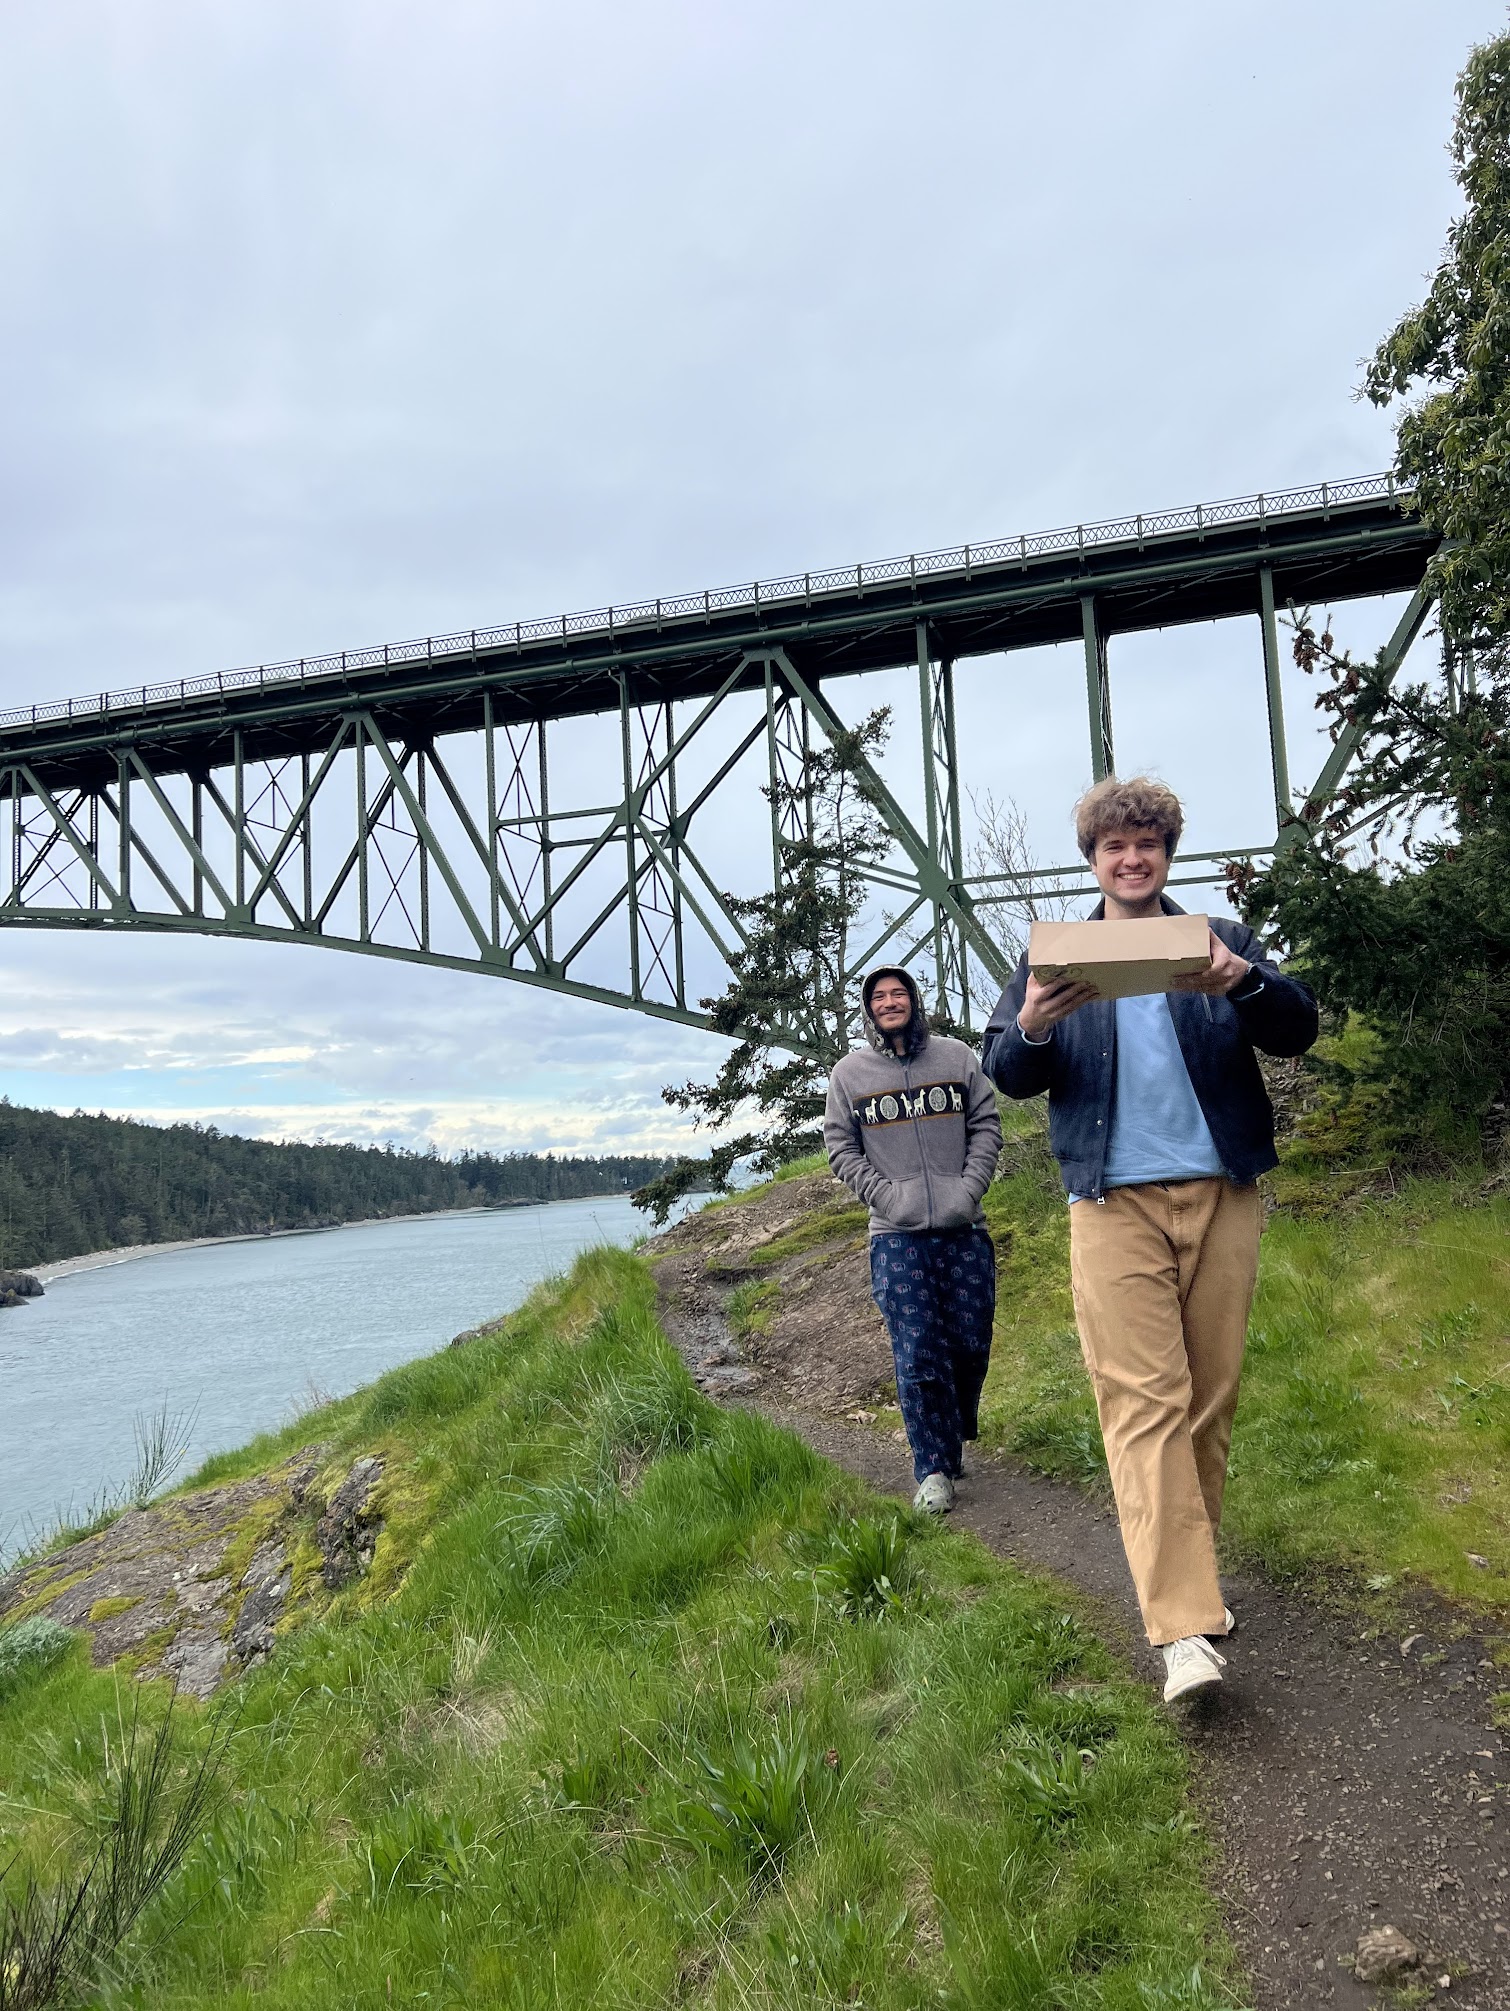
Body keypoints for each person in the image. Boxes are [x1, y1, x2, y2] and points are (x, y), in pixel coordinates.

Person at [982, 777, 1318, 1702]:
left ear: (1167, 854)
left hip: (1222, 1192)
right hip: (1111, 1203)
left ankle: (1192, 1588)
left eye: (1148, 845)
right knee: (1143, 1407)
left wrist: (1243, 982)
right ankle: (1183, 1631)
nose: (1131, 859)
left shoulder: (1220, 940)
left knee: (1208, 1400)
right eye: (1113, 847)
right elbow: (1005, 1071)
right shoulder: (1054, 955)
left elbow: (1299, 1026)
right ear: (1092, 859)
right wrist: (1034, 1025)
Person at [824, 965, 1003, 1513]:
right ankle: (932, 1468)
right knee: (918, 1349)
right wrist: (887, 1197)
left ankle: (951, 1436)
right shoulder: (849, 1074)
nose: (889, 1001)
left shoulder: (956, 1058)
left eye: (898, 992)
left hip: (963, 1227)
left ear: (913, 1001)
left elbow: (987, 1124)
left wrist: (967, 1190)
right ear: (868, 1010)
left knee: (969, 1345)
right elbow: (840, 1147)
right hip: (895, 1237)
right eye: (878, 996)